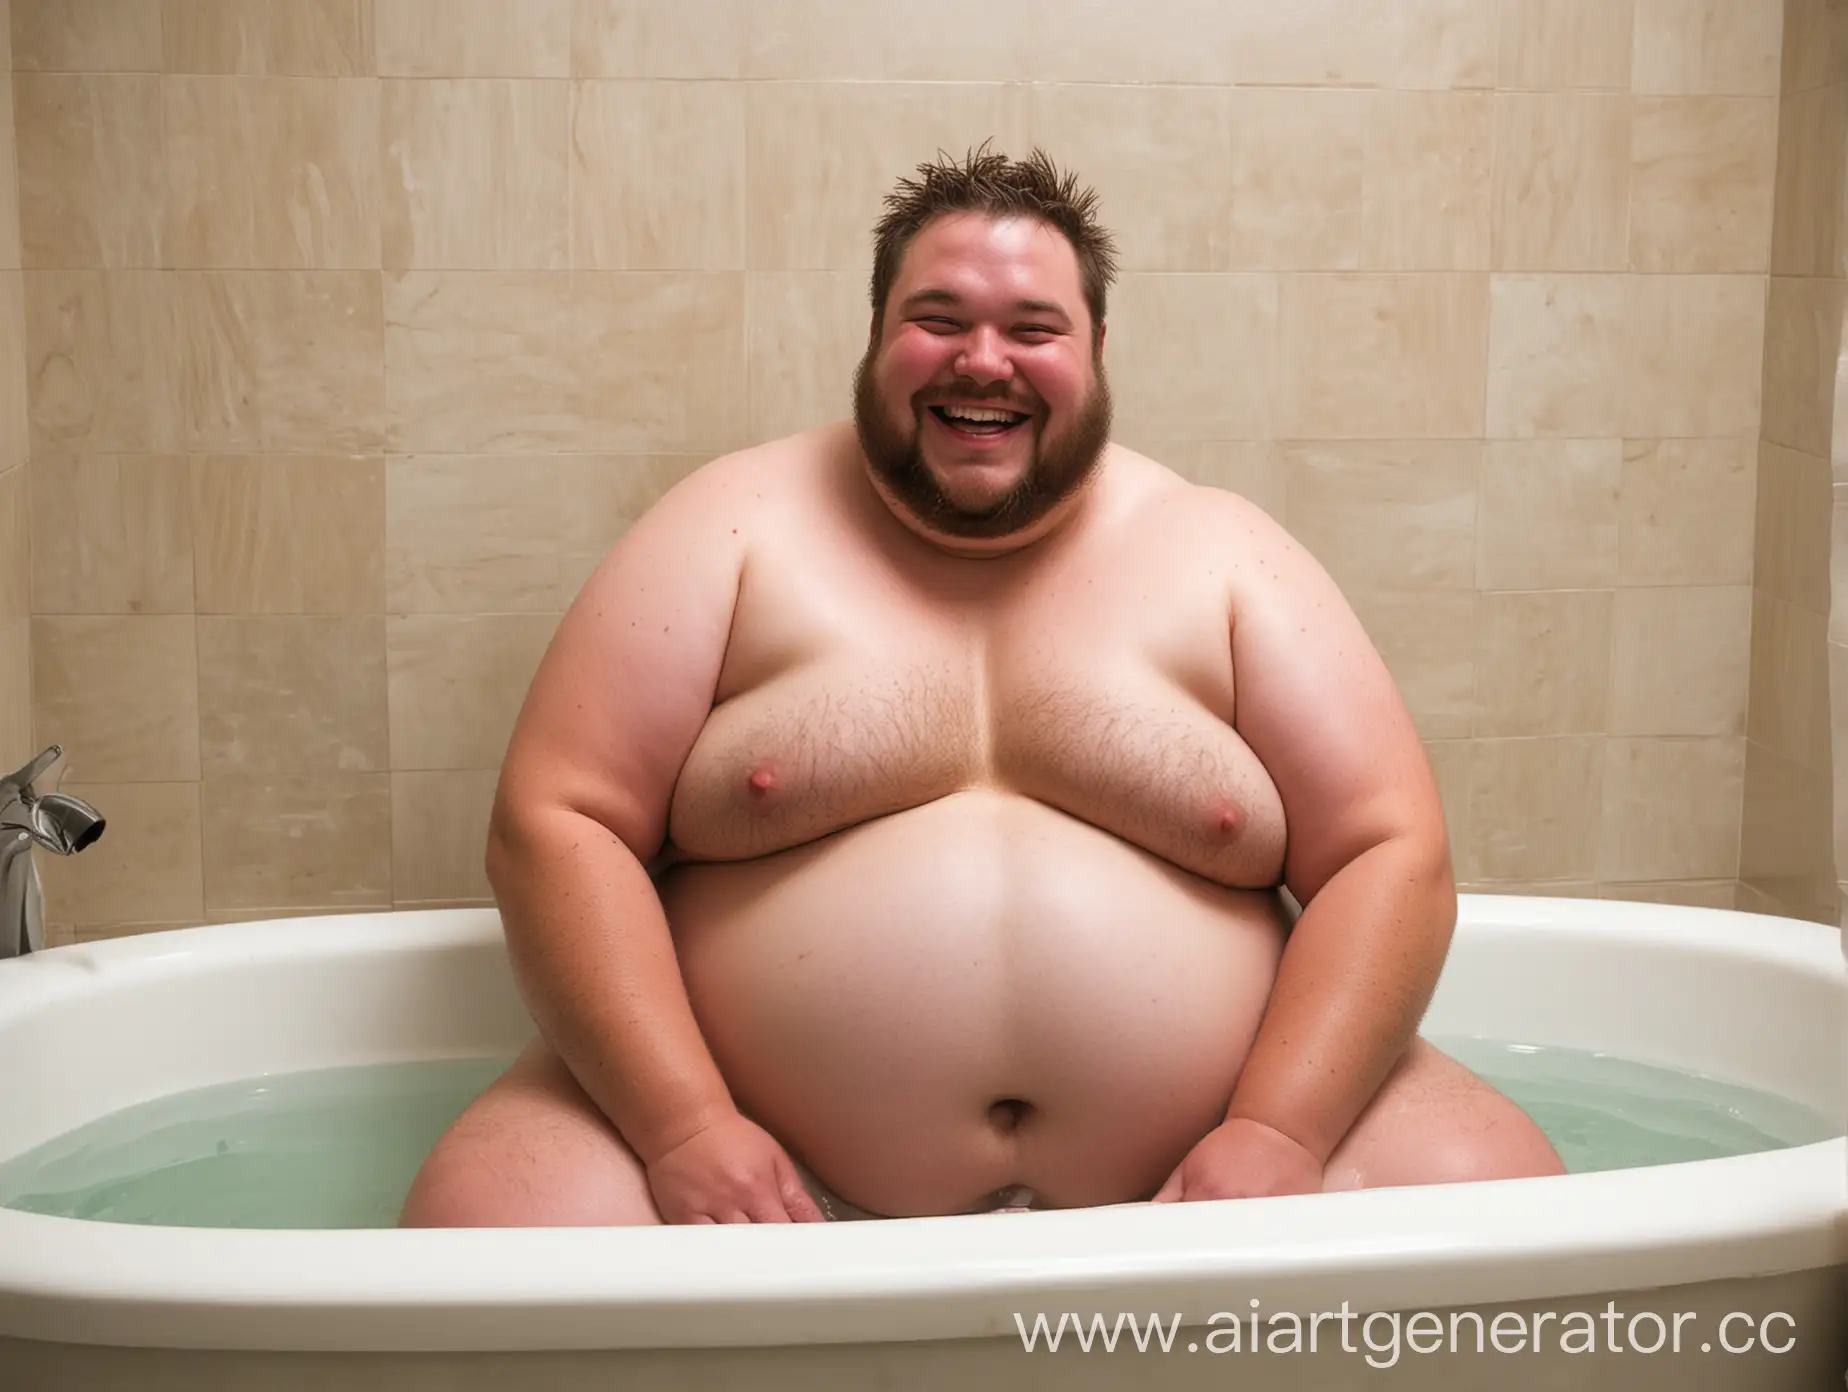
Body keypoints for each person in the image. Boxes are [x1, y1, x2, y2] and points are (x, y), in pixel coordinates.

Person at [399, 144, 1565, 1228]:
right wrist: (683, 1127)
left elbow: (1389, 852)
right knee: (491, 1221)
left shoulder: (1222, 553)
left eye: (1033, 327)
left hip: (1206, 1177)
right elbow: (556, 823)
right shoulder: (732, 526)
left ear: (1097, 351)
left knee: (1502, 1195)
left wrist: (1279, 1130)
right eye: (938, 319)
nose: (982, 360)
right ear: (874, 334)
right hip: (765, 1176)